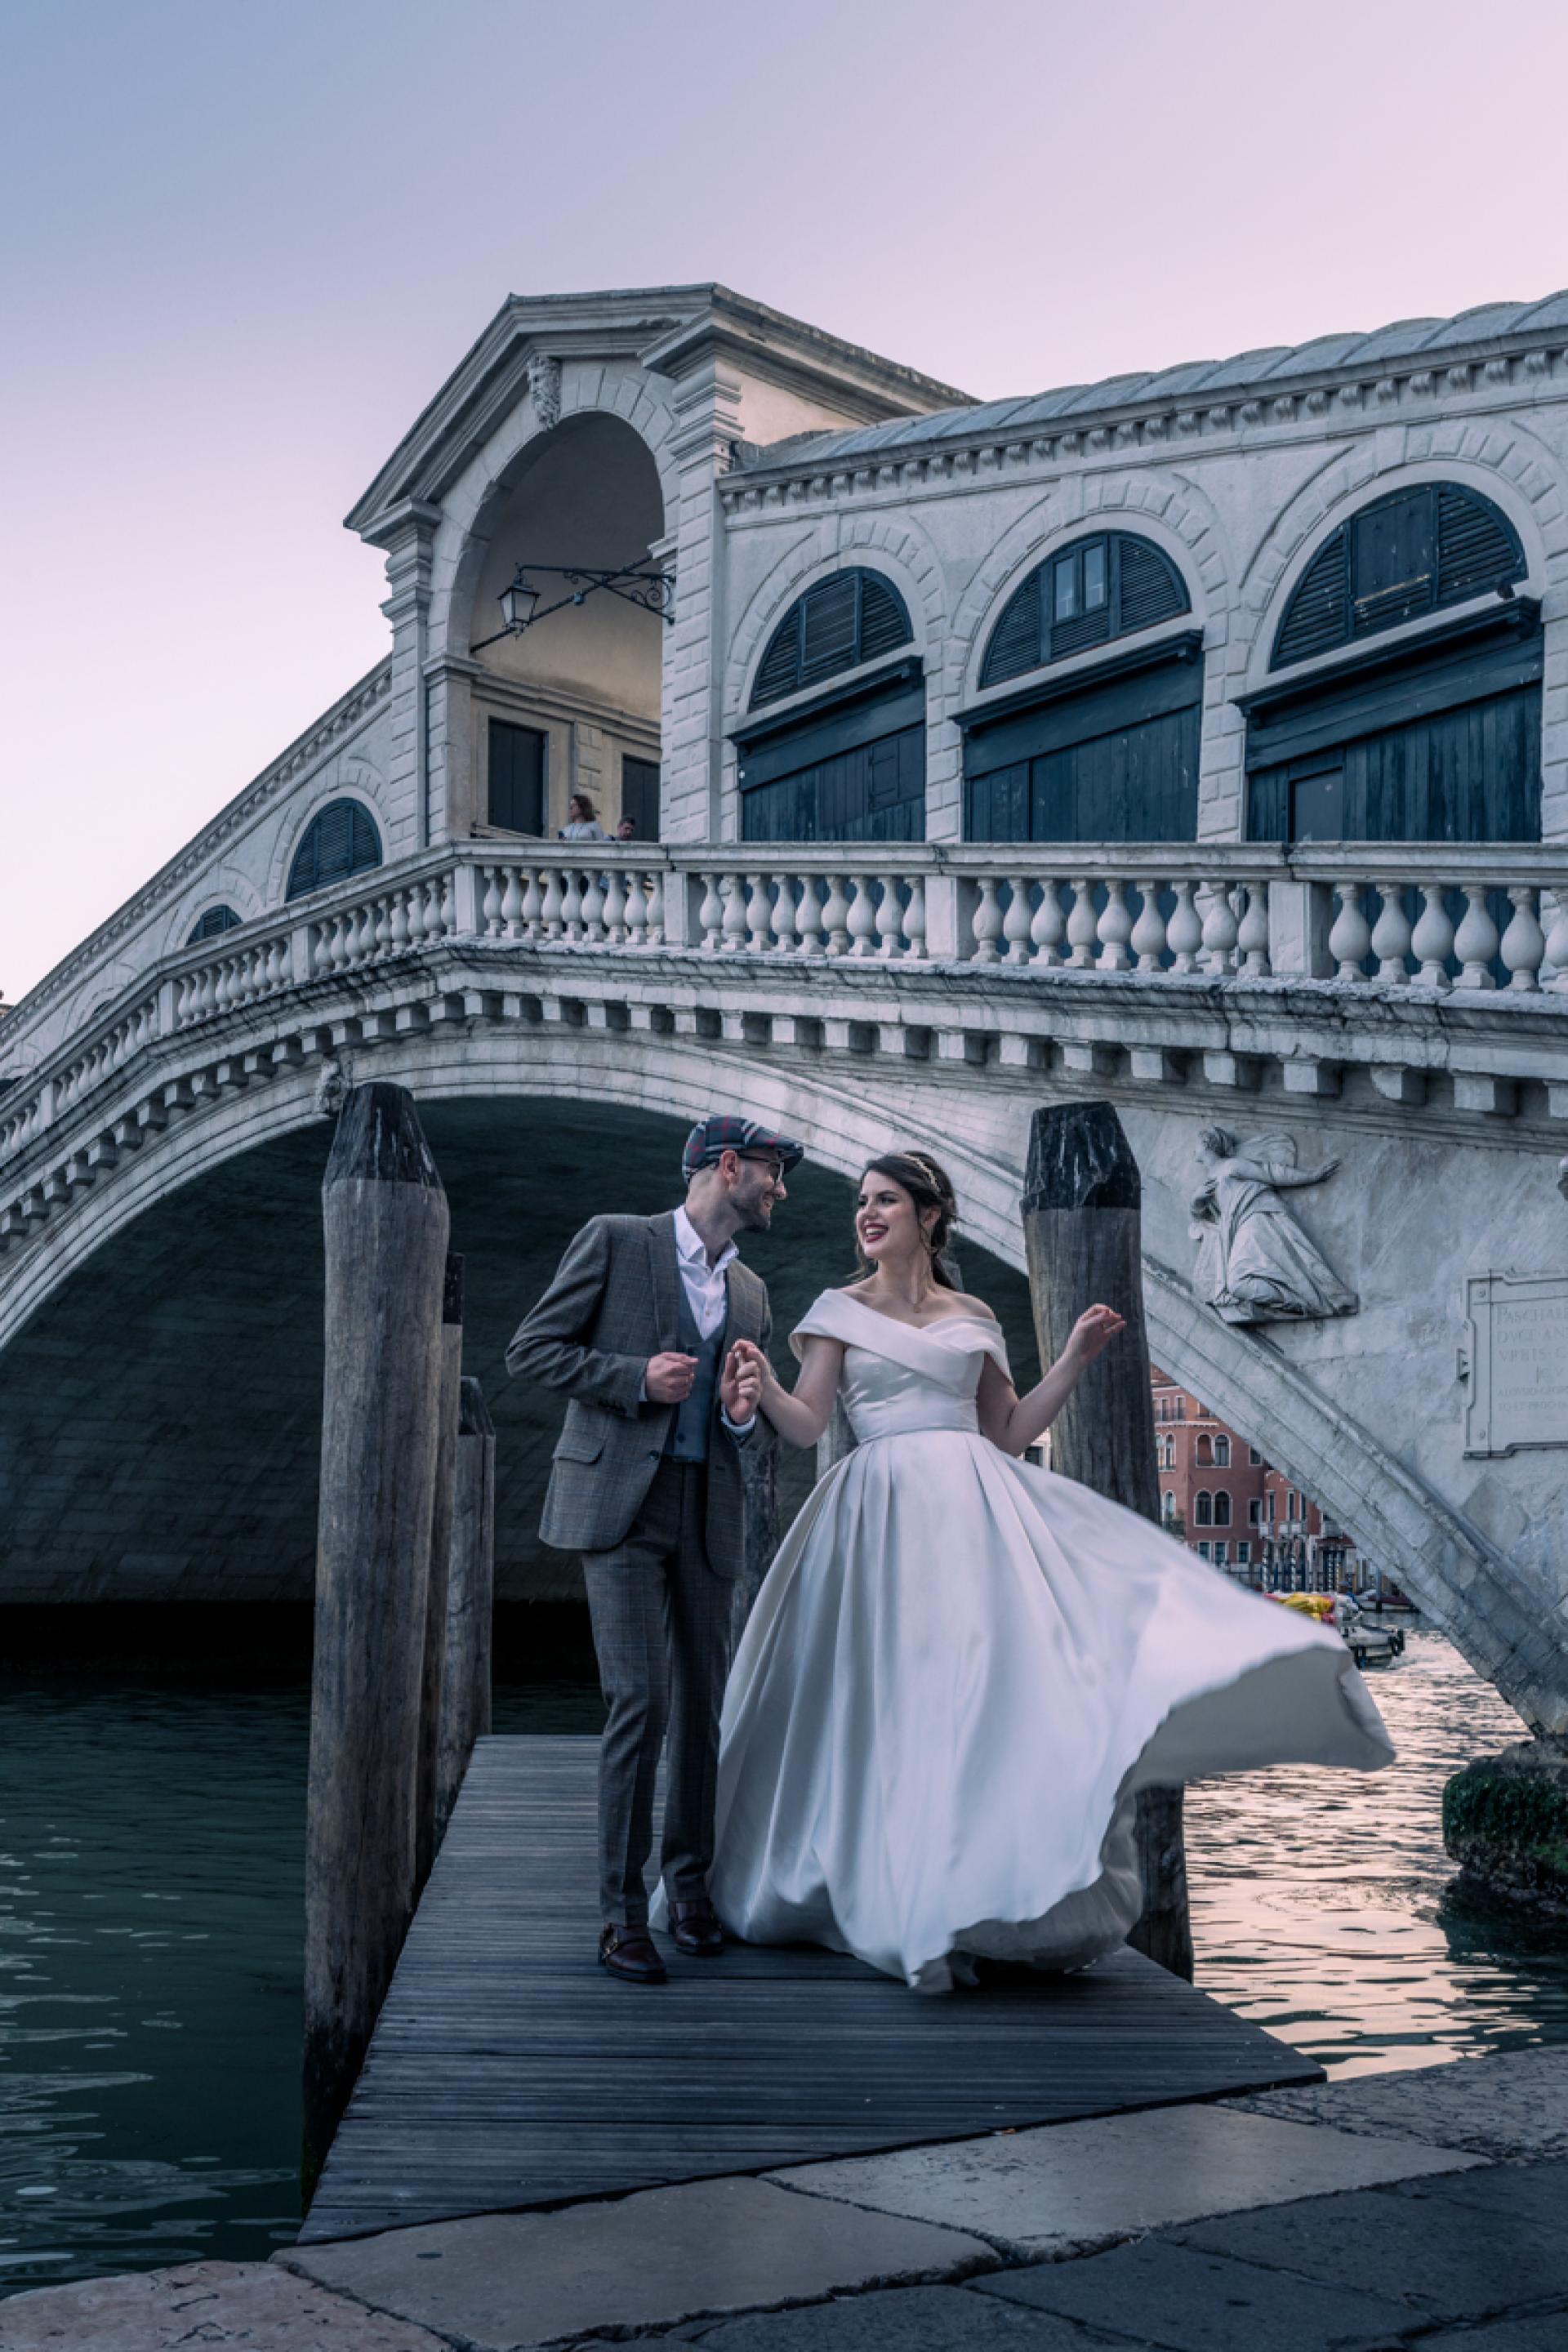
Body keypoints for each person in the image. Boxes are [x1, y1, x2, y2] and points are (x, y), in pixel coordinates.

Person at [715, 1149, 1393, 1993]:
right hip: (877, 1516)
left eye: (885, 1199)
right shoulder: (836, 1310)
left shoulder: (973, 1313)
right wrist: (762, 1387)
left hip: (975, 1517)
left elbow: (1005, 1431)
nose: (868, 1213)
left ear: (929, 1215)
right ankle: (898, 1892)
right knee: (888, 1701)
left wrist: (1071, 1356)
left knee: (978, 1703)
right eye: (862, 1201)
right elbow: (810, 1425)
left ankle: (972, 1898)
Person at [506, 1115, 802, 1984]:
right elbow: (533, 1350)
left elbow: (739, 1425)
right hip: (621, 1510)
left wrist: (742, 1412)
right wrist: (633, 1376)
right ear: (728, 1166)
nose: (781, 1190)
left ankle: (691, 1891)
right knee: (641, 1702)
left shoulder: (750, 1292)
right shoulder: (615, 1241)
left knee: (705, 1708)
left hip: (705, 1509)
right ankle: (620, 1915)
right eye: (774, 1173)